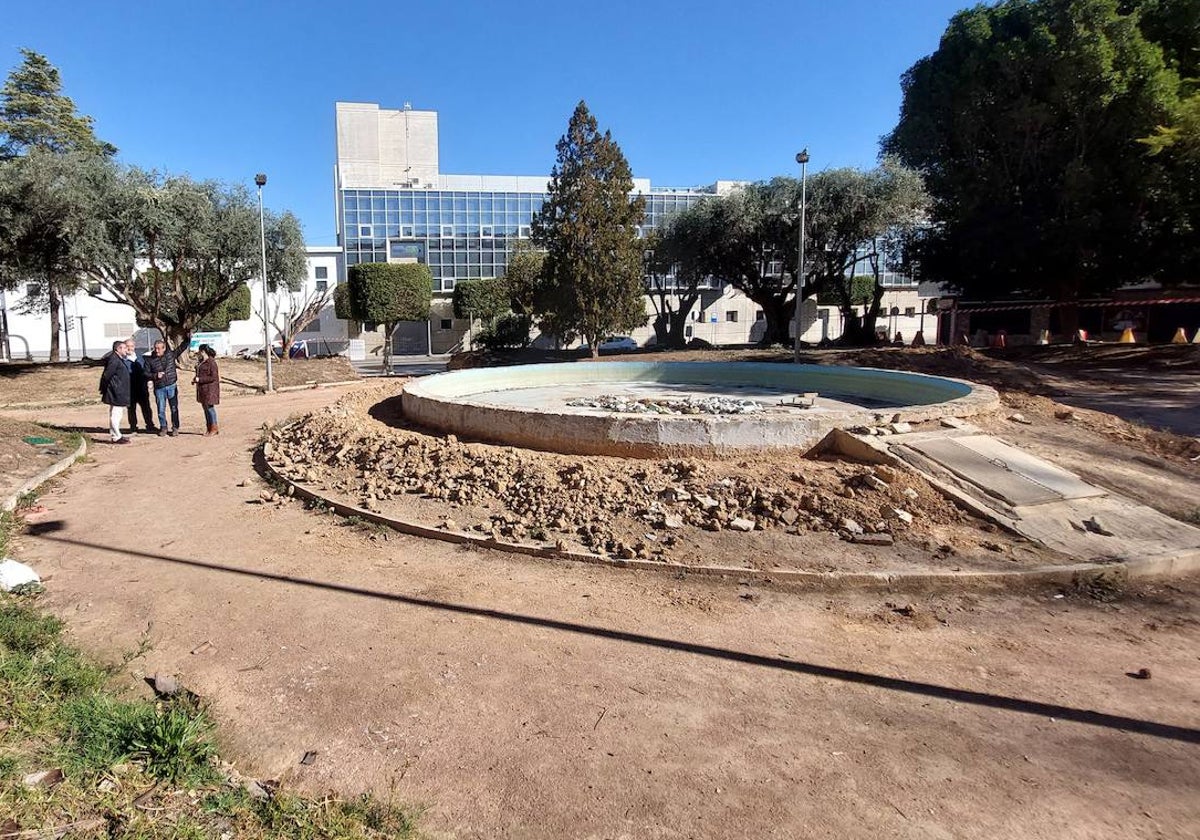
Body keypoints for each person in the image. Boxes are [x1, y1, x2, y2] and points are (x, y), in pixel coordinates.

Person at [144, 339, 181, 436]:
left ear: (164, 348)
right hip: (159, 387)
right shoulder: (149, 360)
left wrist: (188, 338)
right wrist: (156, 375)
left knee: (174, 408)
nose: (157, 350)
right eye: (155, 348)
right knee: (161, 409)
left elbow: (181, 348)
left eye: (159, 349)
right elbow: (146, 373)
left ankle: (175, 427)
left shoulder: (170, 355)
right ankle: (163, 427)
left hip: (171, 385)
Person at [98, 340, 132, 444]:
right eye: (125, 348)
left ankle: (117, 434)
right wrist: (106, 389)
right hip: (116, 391)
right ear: (119, 349)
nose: (127, 350)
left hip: (118, 391)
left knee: (118, 414)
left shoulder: (118, 359)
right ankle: (116, 436)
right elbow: (106, 376)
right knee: (115, 414)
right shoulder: (114, 360)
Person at [124, 339, 154, 433]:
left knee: (146, 408)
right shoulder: (122, 360)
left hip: (142, 388)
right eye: (127, 346)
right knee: (131, 409)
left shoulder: (141, 358)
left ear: (134, 346)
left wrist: (149, 381)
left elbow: (147, 370)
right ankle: (133, 427)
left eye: (131, 346)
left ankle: (149, 425)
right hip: (129, 389)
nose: (129, 348)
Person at [193, 344, 221, 436]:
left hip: (210, 390)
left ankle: (214, 427)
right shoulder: (201, 362)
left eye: (200, 351)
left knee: (210, 408)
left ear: (203, 351)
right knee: (205, 409)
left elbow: (213, 377)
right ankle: (209, 428)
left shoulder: (211, 362)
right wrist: (195, 379)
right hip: (202, 389)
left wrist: (200, 379)